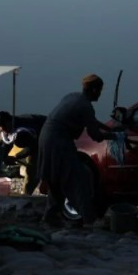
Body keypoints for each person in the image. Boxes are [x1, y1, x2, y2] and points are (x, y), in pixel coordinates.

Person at [37, 73, 113, 228]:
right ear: (93, 90)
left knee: (56, 179)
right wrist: (114, 135)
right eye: (99, 91)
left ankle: (49, 217)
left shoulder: (73, 97)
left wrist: (108, 127)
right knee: (79, 178)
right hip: (59, 141)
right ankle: (89, 219)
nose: (100, 94)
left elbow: (91, 122)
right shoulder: (85, 106)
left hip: (46, 137)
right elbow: (95, 135)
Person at [0, 111, 46, 195]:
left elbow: (33, 148)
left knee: (33, 168)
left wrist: (16, 156)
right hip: (35, 139)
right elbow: (6, 145)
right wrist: (1, 160)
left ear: (10, 122)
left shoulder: (24, 129)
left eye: (3, 126)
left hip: (46, 136)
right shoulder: (7, 129)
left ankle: (27, 194)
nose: (2, 129)